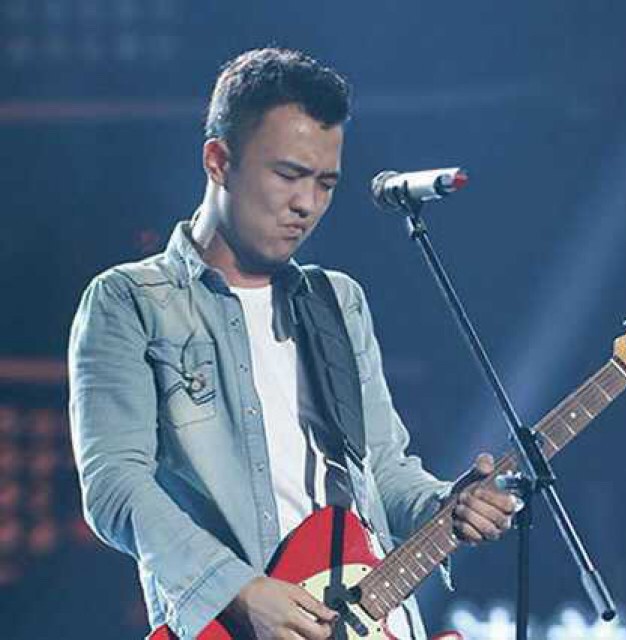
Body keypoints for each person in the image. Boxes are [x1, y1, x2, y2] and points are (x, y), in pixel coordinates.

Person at [68, 48, 517, 640]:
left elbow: (381, 470)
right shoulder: (131, 300)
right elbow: (115, 487)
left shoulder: (338, 301)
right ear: (218, 161)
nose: (306, 204)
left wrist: (444, 506)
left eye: (325, 183)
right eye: (287, 175)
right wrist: (239, 589)